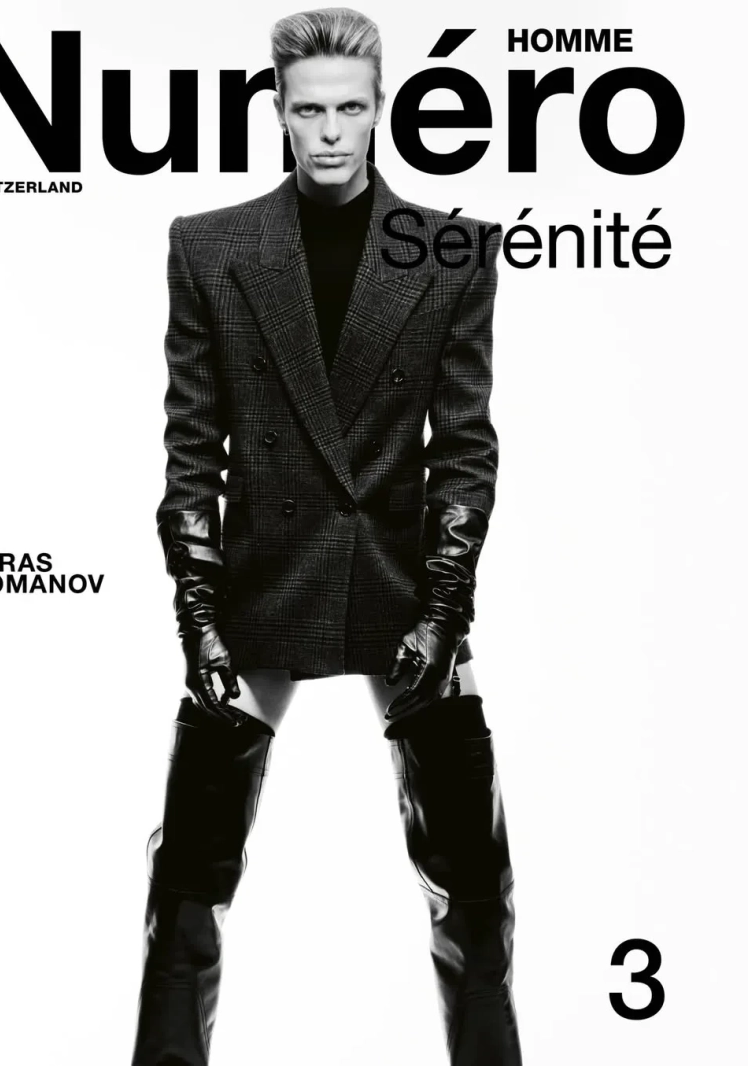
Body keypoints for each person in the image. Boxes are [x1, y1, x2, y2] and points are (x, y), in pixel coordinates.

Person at [130, 8, 522, 1064]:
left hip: (405, 584)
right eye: (311, 111)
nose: (333, 131)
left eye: (351, 107)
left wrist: (444, 610)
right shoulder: (210, 246)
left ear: (382, 106)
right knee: (187, 880)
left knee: (474, 885)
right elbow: (191, 446)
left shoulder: (453, 248)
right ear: (280, 113)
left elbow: (465, 448)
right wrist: (198, 614)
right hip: (262, 579)